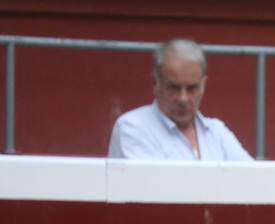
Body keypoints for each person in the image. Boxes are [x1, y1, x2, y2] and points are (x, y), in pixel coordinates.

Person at [108, 38, 252, 161]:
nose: (183, 99)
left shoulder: (217, 132)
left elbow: (254, 179)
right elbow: (152, 189)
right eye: (174, 88)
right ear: (155, 83)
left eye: (191, 88)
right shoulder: (133, 127)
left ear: (203, 86)